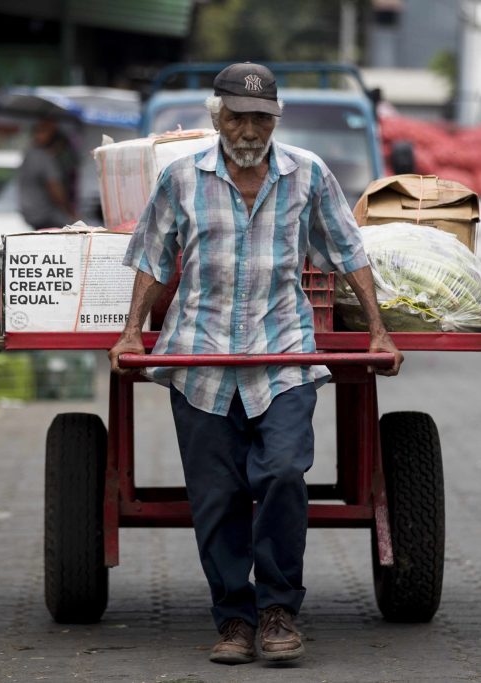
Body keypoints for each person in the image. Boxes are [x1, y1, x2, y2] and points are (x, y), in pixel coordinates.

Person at [109, 62, 403, 665]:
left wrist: (378, 332)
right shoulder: (181, 178)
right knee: (216, 495)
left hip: (283, 353)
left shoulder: (308, 175)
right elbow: (151, 256)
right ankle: (234, 620)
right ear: (218, 117)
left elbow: (349, 249)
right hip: (201, 357)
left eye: (261, 119)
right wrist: (132, 333)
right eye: (239, 117)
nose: (250, 130)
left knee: (283, 472)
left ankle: (277, 611)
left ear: (276, 121)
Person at [18, 119, 75, 229]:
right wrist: (69, 211)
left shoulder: (30, 153)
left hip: (31, 213)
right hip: (45, 214)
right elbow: (54, 188)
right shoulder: (43, 157)